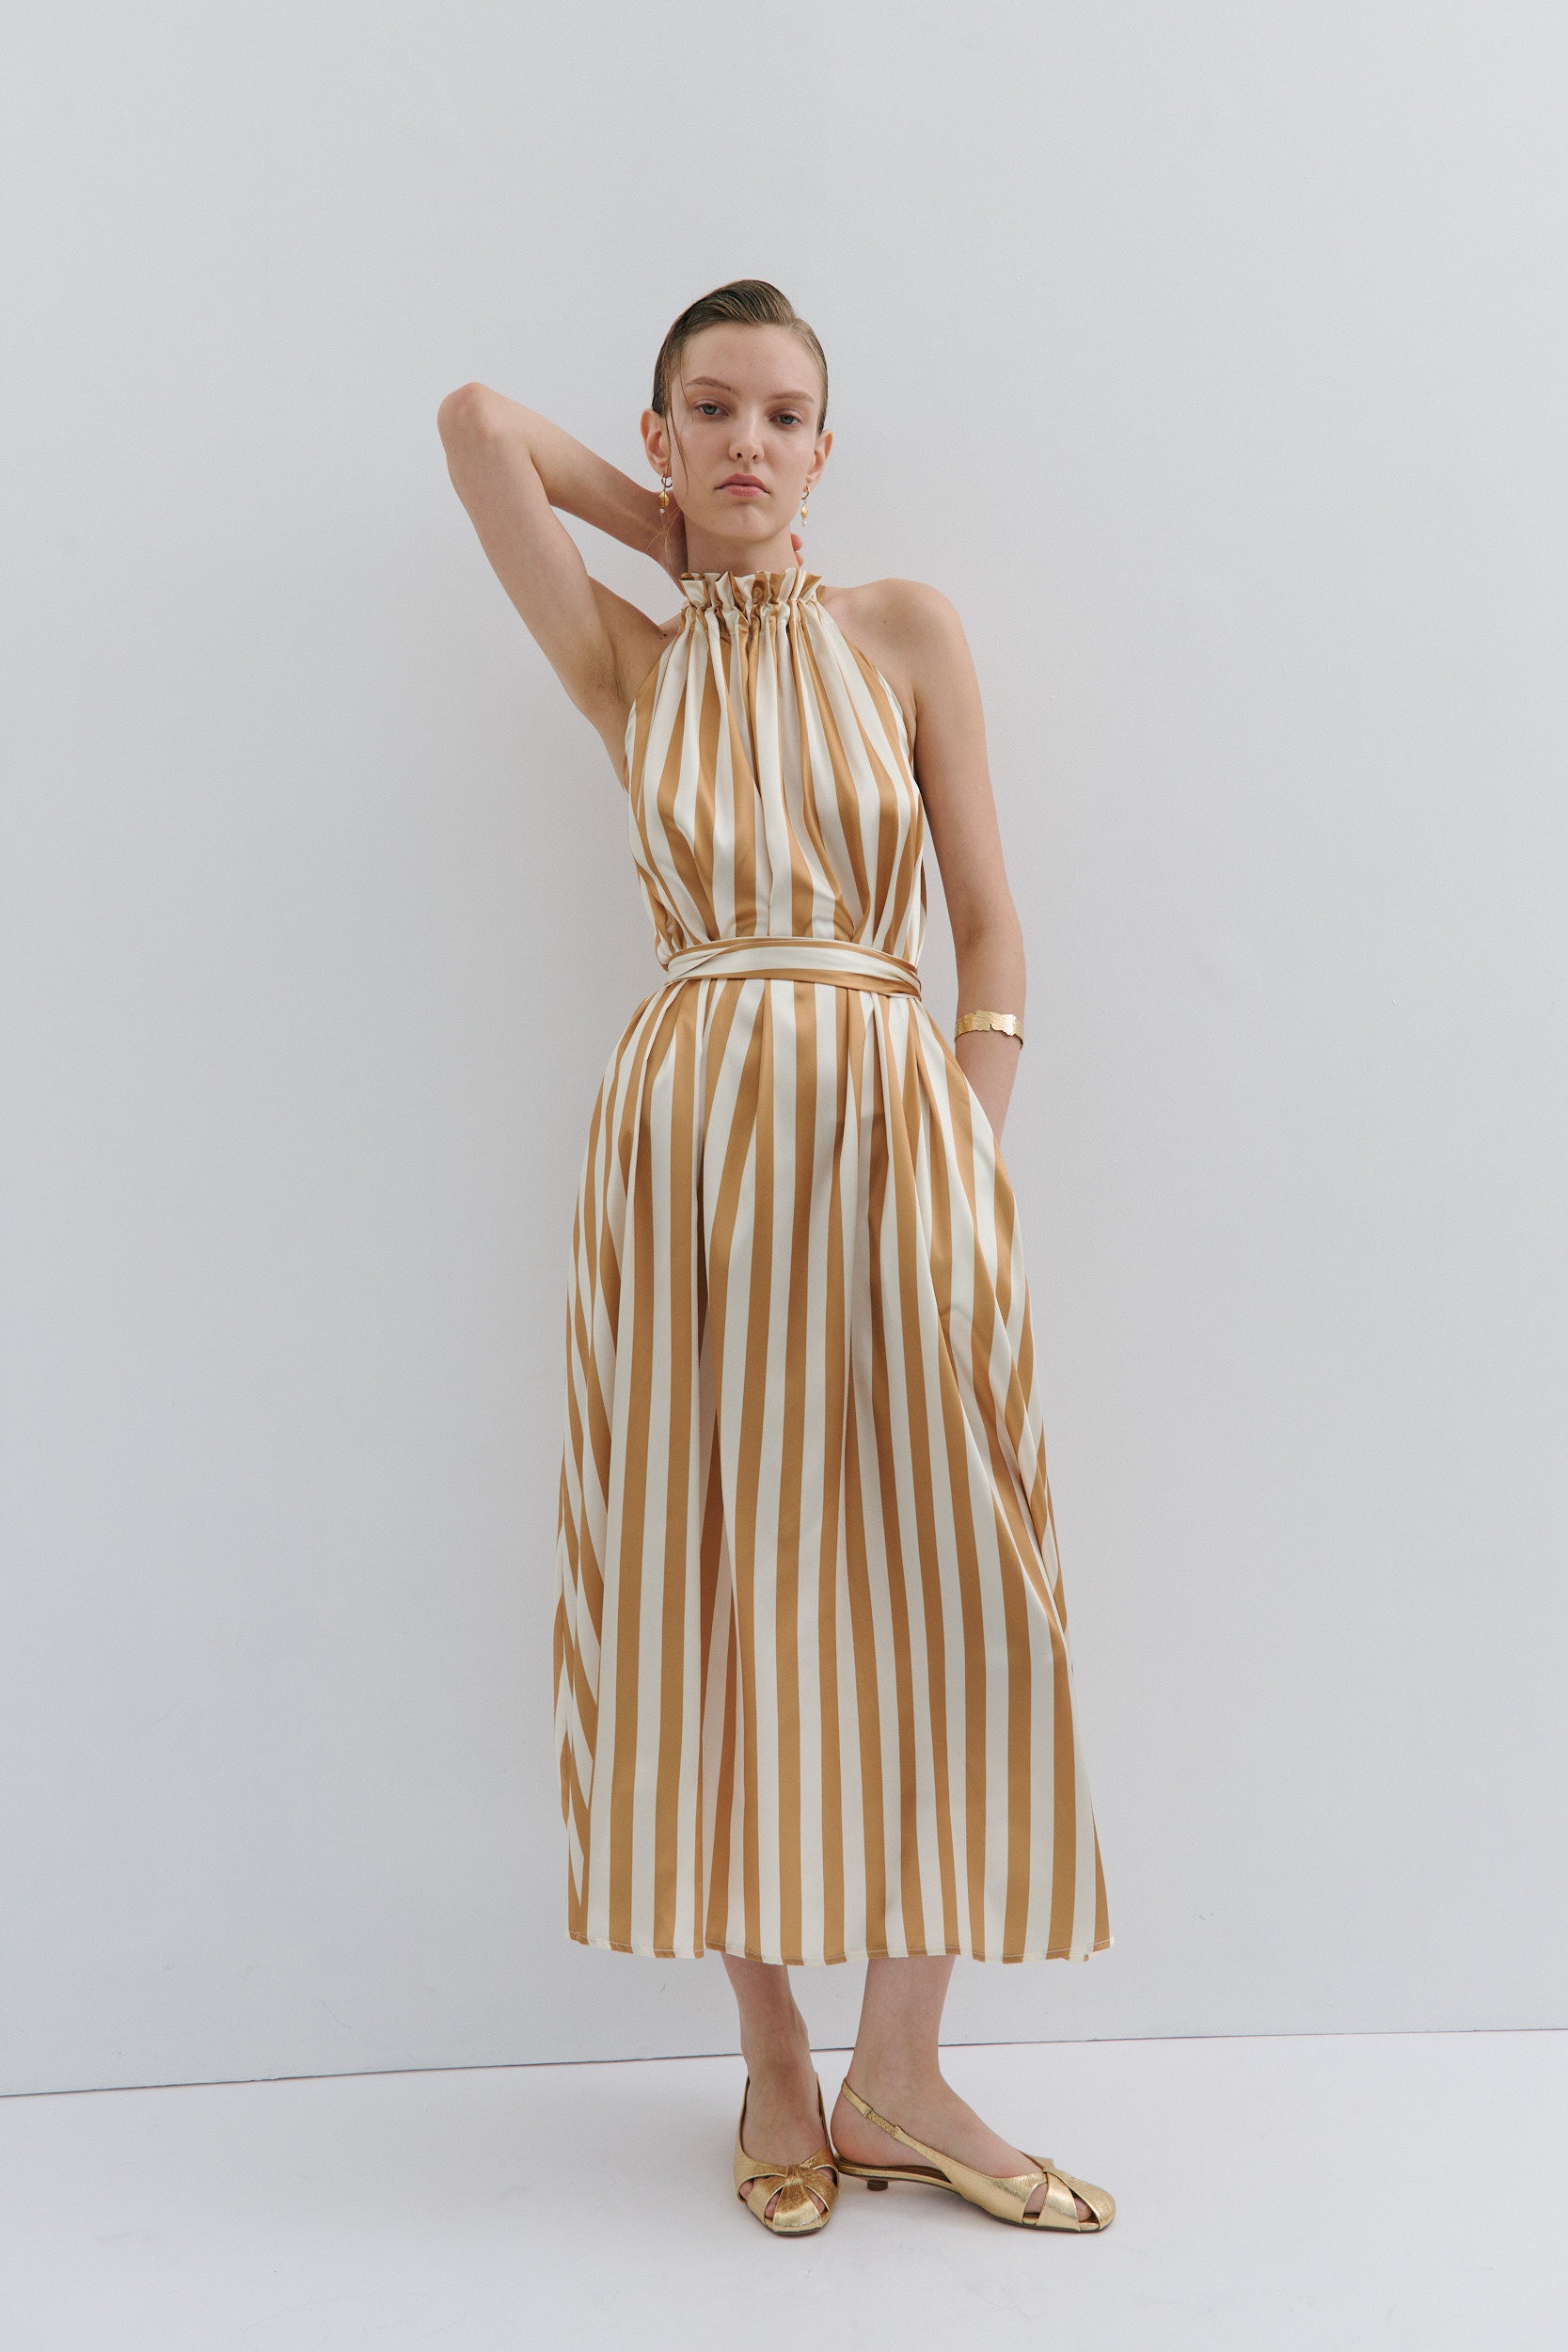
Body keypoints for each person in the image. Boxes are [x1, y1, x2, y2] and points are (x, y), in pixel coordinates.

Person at [437, 278, 1115, 2238]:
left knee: (952, 1570)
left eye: (786, 416)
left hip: (895, 1131)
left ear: (830, 447)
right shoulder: (629, 669)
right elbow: (481, 425)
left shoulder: (908, 632)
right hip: (689, 1158)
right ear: (656, 441)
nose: (752, 440)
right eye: (710, 412)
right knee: (707, 1572)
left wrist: (963, 1146)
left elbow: (991, 925)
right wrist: (680, 537)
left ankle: (903, 2065)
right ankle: (774, 2055)